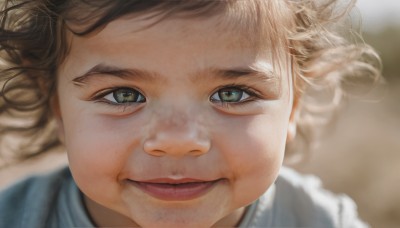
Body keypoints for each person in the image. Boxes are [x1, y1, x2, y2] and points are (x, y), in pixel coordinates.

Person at [0, 0, 381, 227]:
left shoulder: (318, 221)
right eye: (121, 95)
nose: (178, 141)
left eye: (232, 93)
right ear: (58, 108)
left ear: (293, 106)